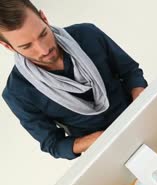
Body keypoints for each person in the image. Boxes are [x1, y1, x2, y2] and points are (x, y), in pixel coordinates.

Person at [0, 0, 148, 159]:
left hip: (140, 116)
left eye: (43, 34)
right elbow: (53, 143)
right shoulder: (17, 93)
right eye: (27, 46)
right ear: (8, 46)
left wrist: (141, 103)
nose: (44, 50)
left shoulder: (87, 34)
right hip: (102, 150)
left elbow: (130, 72)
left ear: (44, 18)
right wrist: (100, 139)